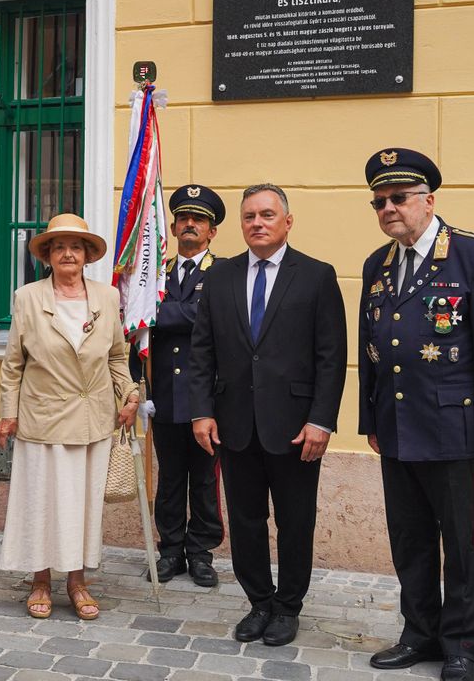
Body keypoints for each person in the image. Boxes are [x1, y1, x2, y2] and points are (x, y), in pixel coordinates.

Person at [358, 149, 474, 681]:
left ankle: (462, 642)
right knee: (409, 538)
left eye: (398, 198)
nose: (387, 208)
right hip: (397, 427)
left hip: (454, 425)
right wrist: (371, 421)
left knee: (460, 539)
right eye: (379, 201)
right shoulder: (376, 265)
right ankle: (420, 631)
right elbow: (372, 351)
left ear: (429, 200)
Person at [190, 183, 346, 647]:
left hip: (297, 428)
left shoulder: (317, 276)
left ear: (287, 221)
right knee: (245, 519)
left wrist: (322, 420)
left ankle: (287, 607)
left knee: (296, 521)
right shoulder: (220, 277)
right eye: (249, 216)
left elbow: (331, 357)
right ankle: (259, 601)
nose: (257, 223)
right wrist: (201, 411)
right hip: (234, 423)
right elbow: (202, 351)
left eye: (267, 215)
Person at [0, 213, 140, 620]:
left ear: (87, 255)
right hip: (42, 417)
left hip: (93, 418)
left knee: (82, 505)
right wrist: (8, 414)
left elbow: (116, 355)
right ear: (48, 256)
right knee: (42, 502)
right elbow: (12, 365)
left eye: (75, 247)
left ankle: (77, 581)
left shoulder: (107, 297)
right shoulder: (28, 297)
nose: (67, 254)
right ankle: (41, 580)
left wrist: (128, 392)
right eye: (58, 247)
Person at [132, 184, 227, 587]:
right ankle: (170, 549)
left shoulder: (224, 273)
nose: (190, 225)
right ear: (172, 227)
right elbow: (139, 320)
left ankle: (201, 552)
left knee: (205, 480)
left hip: (207, 398)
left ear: (212, 231)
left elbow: (205, 317)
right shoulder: (155, 274)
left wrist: (155, 312)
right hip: (166, 396)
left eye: (199, 220)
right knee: (170, 478)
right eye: (184, 219)